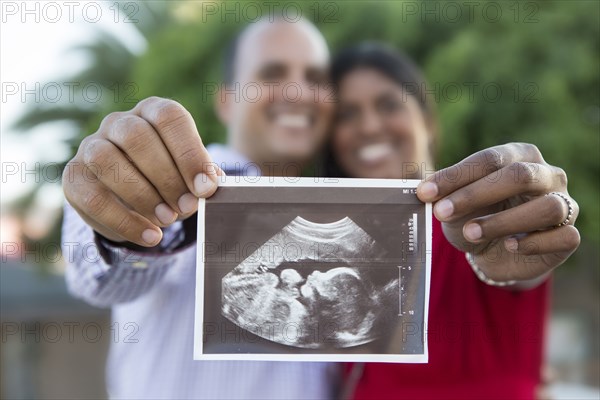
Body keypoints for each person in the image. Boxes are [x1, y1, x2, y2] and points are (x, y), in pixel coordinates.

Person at [61, 18, 338, 399]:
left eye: (315, 78)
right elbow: (105, 277)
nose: (298, 91)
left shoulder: (347, 213)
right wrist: (122, 219)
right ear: (226, 100)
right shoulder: (179, 182)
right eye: (272, 73)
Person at [324, 42, 581, 399]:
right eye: (347, 114)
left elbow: (515, 265)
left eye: (388, 104)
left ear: (427, 121)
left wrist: (540, 212)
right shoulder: (335, 251)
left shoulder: (479, 218)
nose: (369, 125)